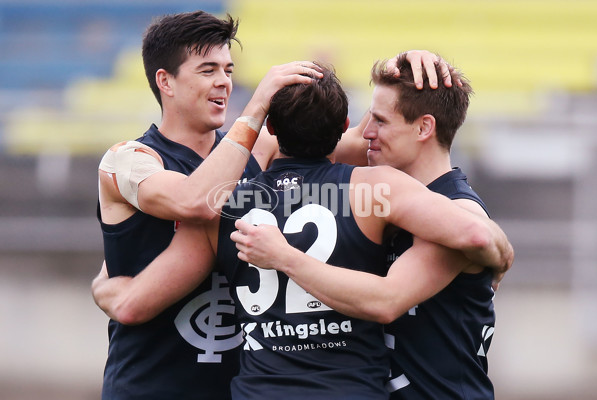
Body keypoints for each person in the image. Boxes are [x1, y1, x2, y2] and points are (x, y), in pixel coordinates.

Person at [93, 62, 513, 399]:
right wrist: (501, 254)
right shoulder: (377, 189)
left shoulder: (226, 207)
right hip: (352, 389)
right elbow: (474, 237)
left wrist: (106, 287)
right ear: (344, 124)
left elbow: (135, 301)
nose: (369, 132)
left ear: (271, 130)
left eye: (379, 121)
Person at [231, 54, 509, 399]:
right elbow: (300, 144)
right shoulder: (399, 200)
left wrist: (283, 256)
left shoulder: (455, 212)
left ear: (423, 128)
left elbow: (387, 300)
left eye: (379, 121)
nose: (367, 134)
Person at [95, 10, 325, 400]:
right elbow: (195, 200)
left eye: (228, 69)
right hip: (148, 388)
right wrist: (254, 109)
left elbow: (367, 139)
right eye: (207, 70)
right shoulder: (128, 160)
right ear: (165, 81)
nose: (223, 82)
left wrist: (408, 68)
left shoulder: (258, 149)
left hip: (238, 388)